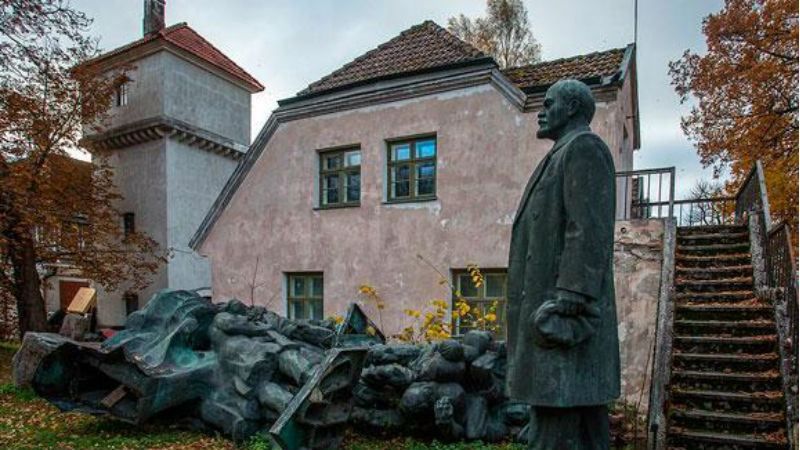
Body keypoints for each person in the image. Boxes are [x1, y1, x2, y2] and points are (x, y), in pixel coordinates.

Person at [506, 79, 620, 450]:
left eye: (548, 103)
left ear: (571, 107)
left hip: (565, 317)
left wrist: (572, 293)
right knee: (578, 427)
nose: (540, 111)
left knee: (561, 424)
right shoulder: (561, 153)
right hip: (555, 316)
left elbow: (588, 228)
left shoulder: (584, 148)